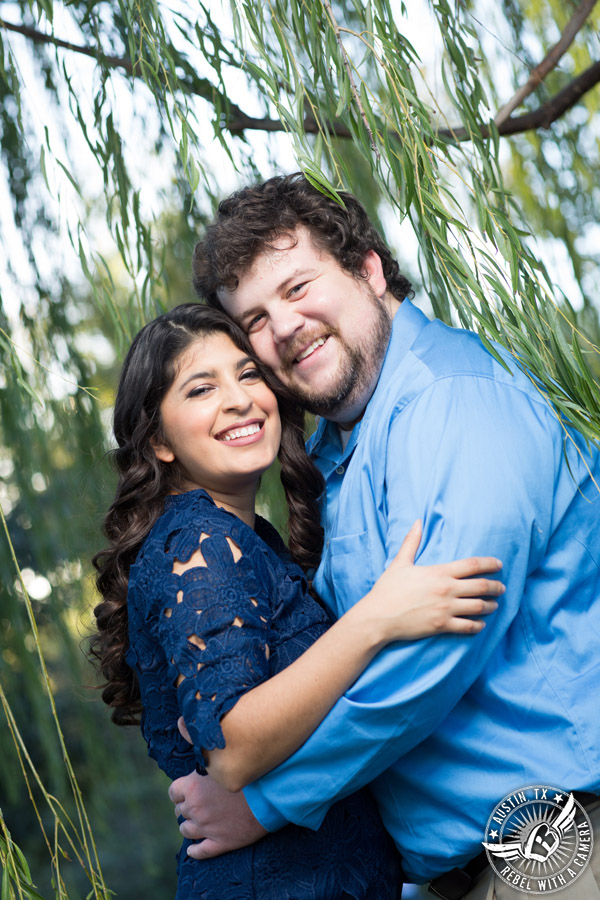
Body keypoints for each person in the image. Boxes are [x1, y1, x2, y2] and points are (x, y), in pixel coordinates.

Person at [169, 174, 600, 900]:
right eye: (256, 321)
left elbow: (435, 655)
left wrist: (266, 802)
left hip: (560, 851)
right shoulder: (348, 454)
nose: (285, 327)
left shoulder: (457, 403)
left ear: (368, 268)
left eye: (300, 287)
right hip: (460, 873)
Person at [90, 303, 504, 899]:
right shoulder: (199, 542)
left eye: (248, 375)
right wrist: (375, 621)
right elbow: (230, 748)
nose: (238, 400)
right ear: (159, 441)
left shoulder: (248, 540)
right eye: (202, 388)